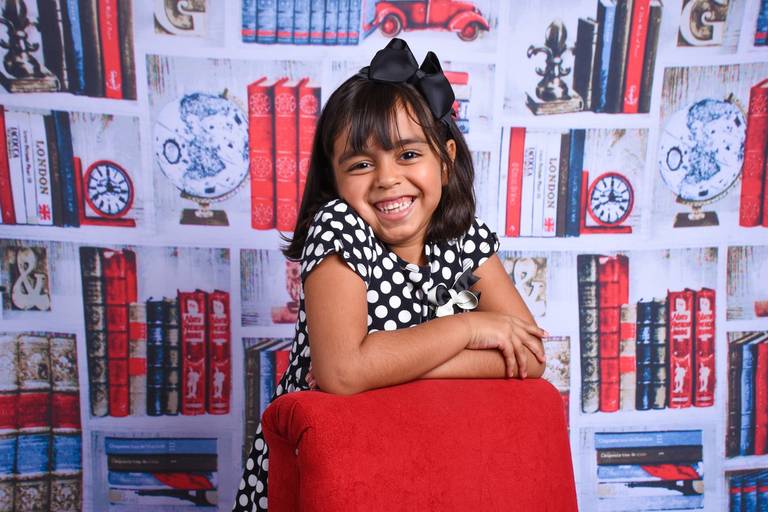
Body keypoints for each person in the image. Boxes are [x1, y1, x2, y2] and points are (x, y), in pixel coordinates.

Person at [233, 38, 547, 512]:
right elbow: (343, 373)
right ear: (335, 180)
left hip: (410, 465)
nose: (386, 178)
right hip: (327, 475)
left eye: (408, 155)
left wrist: (387, 366)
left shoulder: (463, 238)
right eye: (361, 164)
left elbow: (530, 357)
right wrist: (468, 329)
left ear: (445, 159)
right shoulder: (338, 228)